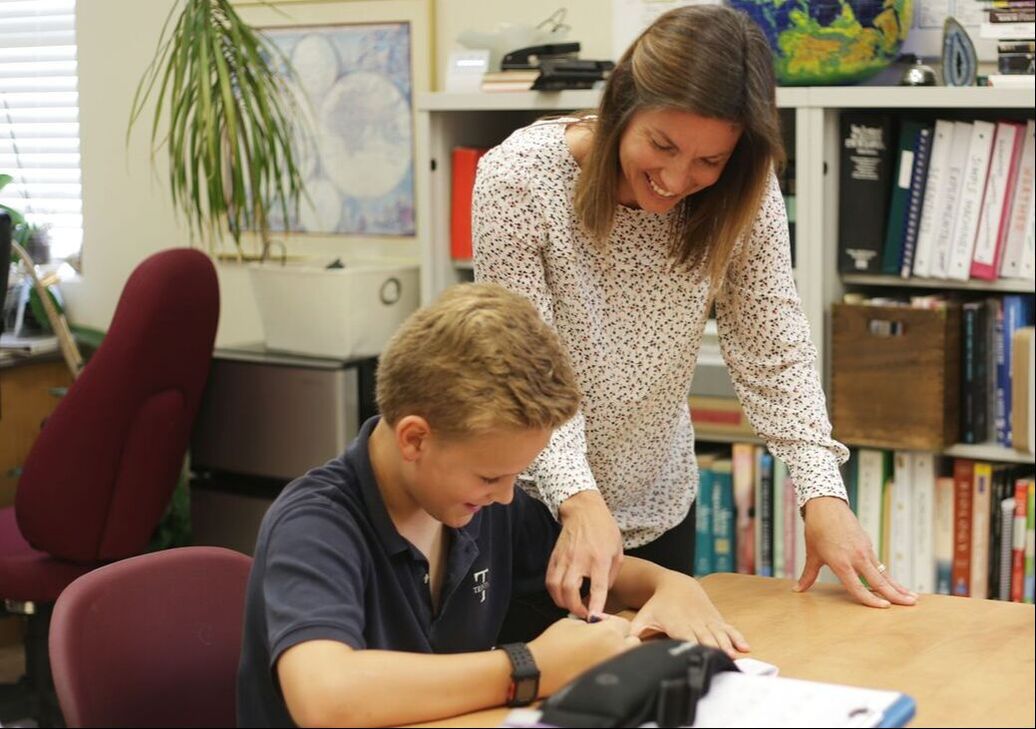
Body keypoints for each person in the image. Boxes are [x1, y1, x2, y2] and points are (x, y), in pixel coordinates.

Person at [471, 3, 917, 628]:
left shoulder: (743, 189)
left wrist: (822, 492)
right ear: (621, 106)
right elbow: (522, 369)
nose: (677, 179)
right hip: (523, 501)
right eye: (662, 144)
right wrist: (576, 496)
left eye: (709, 162)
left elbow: (772, 346)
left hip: (658, 502)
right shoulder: (518, 180)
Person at [236, 283, 749, 728]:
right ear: (415, 439)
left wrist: (668, 584)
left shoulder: (480, 505)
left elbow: (592, 573)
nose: (507, 495)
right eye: (490, 476)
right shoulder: (315, 526)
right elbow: (324, 696)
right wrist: (531, 667)